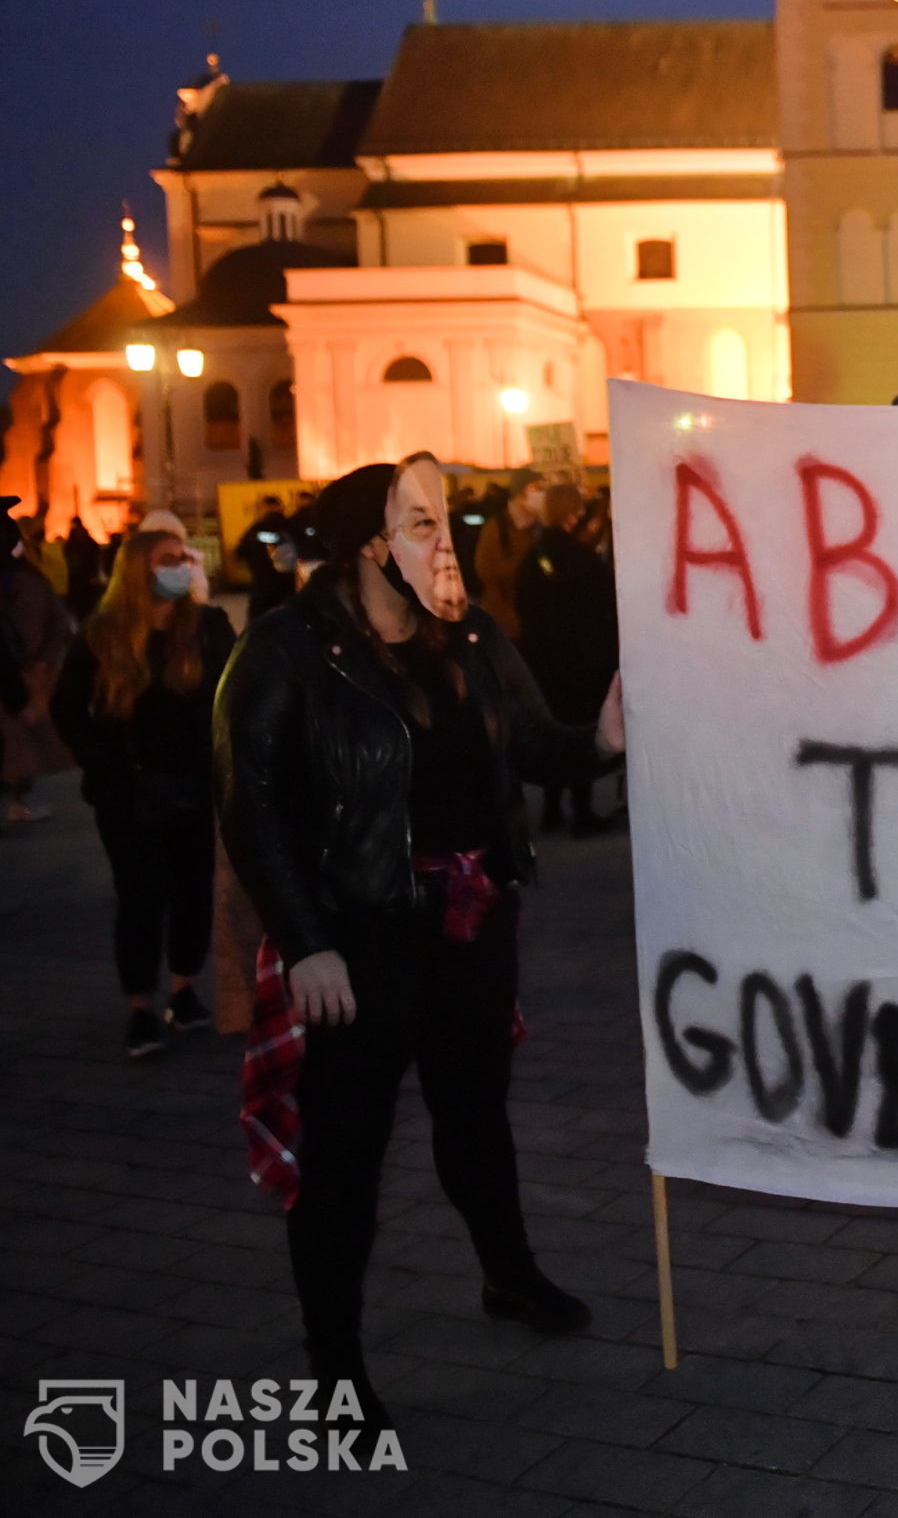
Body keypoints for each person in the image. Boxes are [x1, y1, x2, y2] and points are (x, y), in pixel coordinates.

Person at [216, 453, 626, 1427]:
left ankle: (510, 1274)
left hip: (472, 926)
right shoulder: (287, 649)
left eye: (444, 520)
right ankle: (336, 1364)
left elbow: (526, 743)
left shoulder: (472, 633)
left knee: (476, 1116)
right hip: (356, 944)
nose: (447, 540)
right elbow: (253, 806)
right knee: (346, 1156)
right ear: (370, 545)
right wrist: (305, 939)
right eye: (421, 522)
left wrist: (601, 739)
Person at [51, 527, 237, 1056]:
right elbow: (68, 707)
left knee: (193, 890)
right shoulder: (102, 633)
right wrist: (100, 762)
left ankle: (183, 989)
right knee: (140, 895)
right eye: (167, 560)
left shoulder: (206, 626)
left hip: (194, 785)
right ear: (138, 571)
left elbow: (232, 694)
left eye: (183, 558)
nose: (180, 567)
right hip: (127, 792)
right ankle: (140, 1006)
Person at [513, 484, 620, 835]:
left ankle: (551, 808)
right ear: (573, 512)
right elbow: (605, 608)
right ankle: (581, 809)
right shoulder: (583, 559)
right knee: (581, 732)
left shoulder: (533, 558)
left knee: (551, 728)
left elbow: (523, 605)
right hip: (581, 661)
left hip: (543, 659)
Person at [3, 497, 76, 824]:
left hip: (28, 669)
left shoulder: (25, 575)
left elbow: (55, 619)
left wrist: (45, 658)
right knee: (17, 740)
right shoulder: (22, 575)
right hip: (21, 671)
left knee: (21, 742)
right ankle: (16, 798)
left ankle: (18, 798)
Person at [471, 472, 545, 638]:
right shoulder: (497, 527)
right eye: (537, 488)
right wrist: (526, 566)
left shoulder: (540, 527)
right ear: (521, 492)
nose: (542, 494)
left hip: (535, 621)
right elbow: (485, 569)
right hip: (505, 620)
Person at [234, 495, 296, 617]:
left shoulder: (256, 529)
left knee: (259, 618)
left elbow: (241, 551)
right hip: (289, 583)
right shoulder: (291, 525)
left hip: (262, 583)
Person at [63, 518, 106, 620]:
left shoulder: (74, 541)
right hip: (82, 577)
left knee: (82, 604)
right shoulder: (85, 541)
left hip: (80, 577)